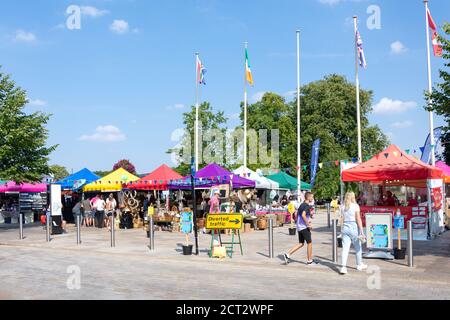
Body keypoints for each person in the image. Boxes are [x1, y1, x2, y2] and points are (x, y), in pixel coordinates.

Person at [283, 192, 318, 266]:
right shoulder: (306, 206)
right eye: (312, 197)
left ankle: (287, 254)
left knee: (301, 243)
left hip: (299, 227)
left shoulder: (301, 205)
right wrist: (308, 224)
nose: (313, 199)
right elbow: (303, 215)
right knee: (309, 243)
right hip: (304, 227)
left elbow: (298, 214)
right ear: (308, 198)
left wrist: (308, 218)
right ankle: (309, 261)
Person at [339, 192, 368, 275]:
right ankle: (359, 264)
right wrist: (362, 231)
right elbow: (358, 219)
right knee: (358, 246)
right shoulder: (355, 206)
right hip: (353, 227)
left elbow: (341, 219)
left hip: (345, 227)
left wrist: (341, 230)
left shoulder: (342, 206)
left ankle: (343, 267)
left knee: (345, 248)